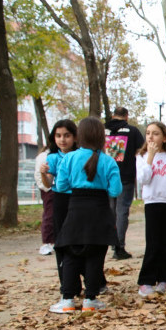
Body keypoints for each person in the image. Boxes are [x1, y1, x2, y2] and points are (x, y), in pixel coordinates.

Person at [50, 117, 121, 313]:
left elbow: (62, 186)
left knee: (71, 252)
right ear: (100, 137)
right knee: (96, 254)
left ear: (79, 135)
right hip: (99, 210)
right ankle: (90, 300)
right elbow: (115, 190)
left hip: (76, 209)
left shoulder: (69, 158)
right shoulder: (108, 161)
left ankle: (68, 300)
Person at [136, 121, 166, 297]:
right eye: (148, 133)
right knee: (153, 242)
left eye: (155, 133)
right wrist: (150, 157)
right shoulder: (141, 157)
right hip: (152, 203)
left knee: (165, 242)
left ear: (164, 137)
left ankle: (164, 277)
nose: (150, 136)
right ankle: (147, 280)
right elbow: (143, 179)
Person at [41, 119, 80, 313]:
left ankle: (85, 283)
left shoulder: (81, 156)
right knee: (62, 245)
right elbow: (48, 184)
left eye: (66, 135)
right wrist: (43, 174)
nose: (62, 140)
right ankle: (66, 286)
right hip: (60, 201)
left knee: (80, 244)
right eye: (58, 136)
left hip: (79, 202)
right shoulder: (53, 158)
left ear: (74, 137)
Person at [104, 107, 145, 260]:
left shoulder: (103, 130)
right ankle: (119, 246)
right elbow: (142, 150)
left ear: (113, 115)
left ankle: (110, 242)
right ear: (126, 116)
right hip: (125, 176)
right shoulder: (132, 131)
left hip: (106, 177)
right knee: (122, 211)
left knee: (110, 210)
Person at [34, 145, 54, 256]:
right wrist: (46, 188)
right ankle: (46, 243)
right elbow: (38, 173)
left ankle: (52, 241)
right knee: (49, 215)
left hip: (54, 189)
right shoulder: (44, 156)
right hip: (49, 190)